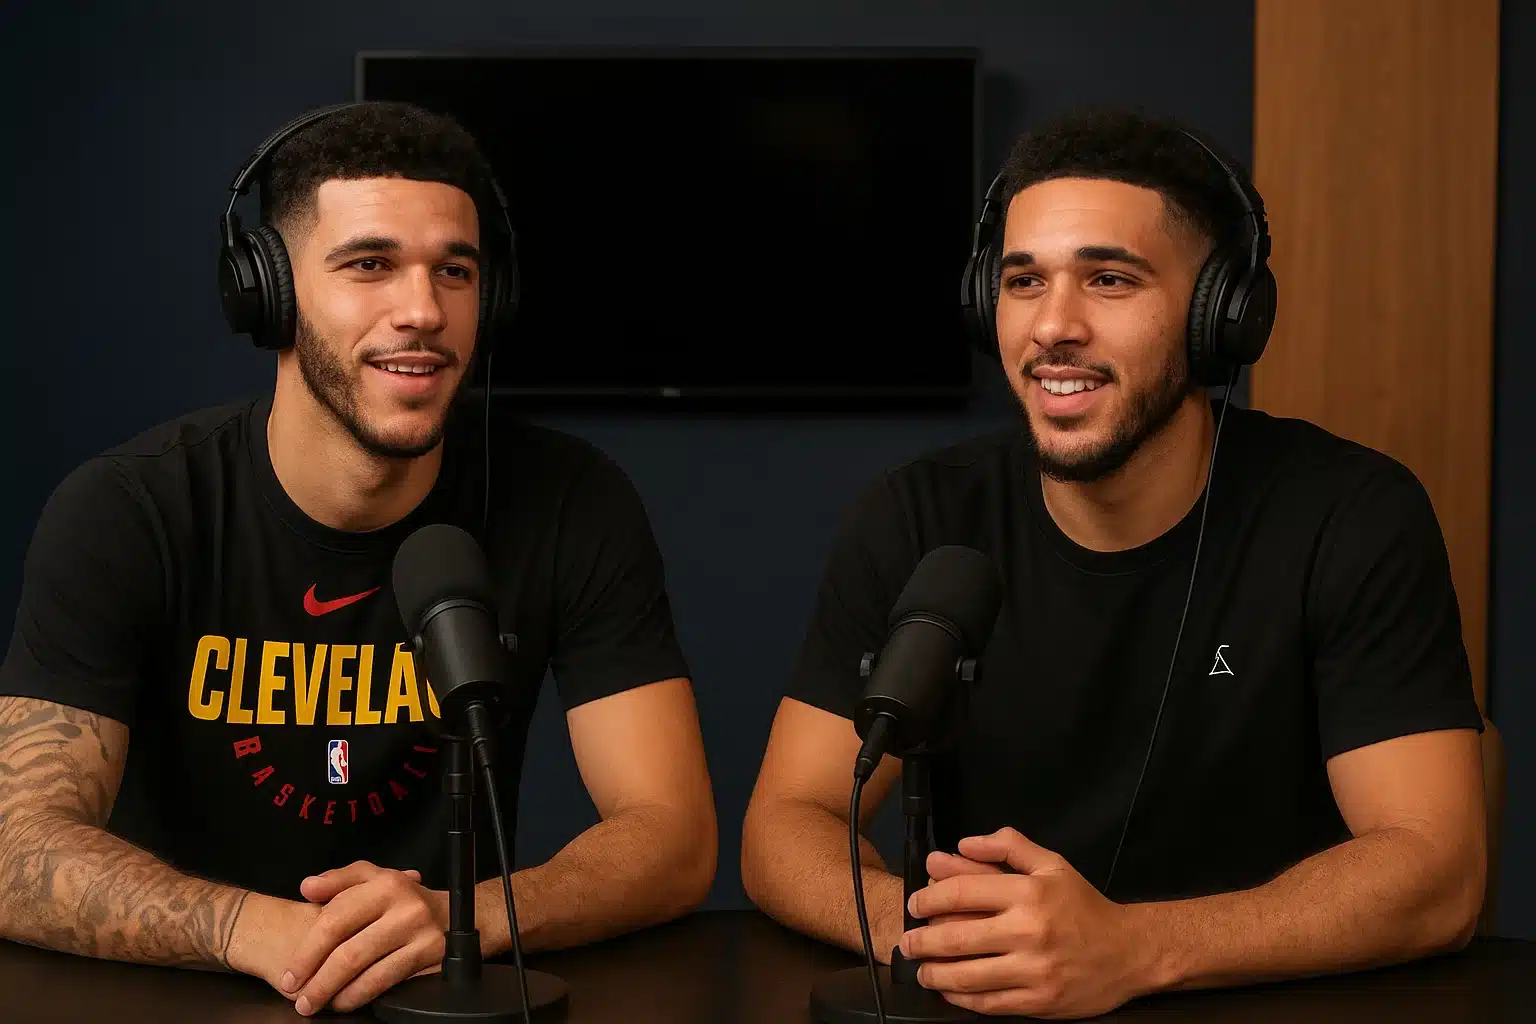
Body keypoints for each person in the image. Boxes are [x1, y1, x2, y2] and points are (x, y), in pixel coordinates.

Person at [740, 107, 1487, 1019]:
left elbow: (1436, 869)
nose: (1055, 326)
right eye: (1023, 281)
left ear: (1222, 315)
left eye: (1109, 279)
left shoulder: (1351, 515)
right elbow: (786, 822)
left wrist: (1131, 949)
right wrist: (959, 938)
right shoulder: (920, 518)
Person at [0, 102, 717, 1016]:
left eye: (454, 271)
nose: (422, 311)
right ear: (267, 291)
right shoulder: (131, 509)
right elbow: (13, 846)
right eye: (370, 265)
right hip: (178, 991)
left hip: (439, 990)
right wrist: (254, 930)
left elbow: (675, 836)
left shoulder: (572, 501)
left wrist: (464, 917)